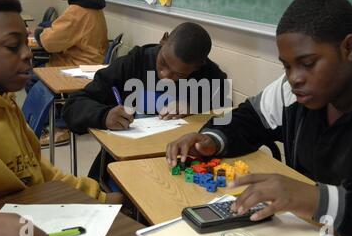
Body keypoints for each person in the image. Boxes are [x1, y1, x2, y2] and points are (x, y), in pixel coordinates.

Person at [166, 0, 352, 236]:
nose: (294, 78)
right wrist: (211, 139)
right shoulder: (294, 91)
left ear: (350, 48)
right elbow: (247, 118)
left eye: (308, 63)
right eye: (286, 66)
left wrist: (317, 199)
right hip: (305, 235)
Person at [0, 0, 120, 236]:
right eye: (12, 46)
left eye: (25, 42)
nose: (27, 53)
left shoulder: (2, 103)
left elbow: (40, 173)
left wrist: (100, 196)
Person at [63, 22, 229, 182]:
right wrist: (104, 115)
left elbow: (223, 105)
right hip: (124, 164)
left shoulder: (207, 74)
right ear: (163, 41)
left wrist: (195, 104)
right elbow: (73, 105)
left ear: (197, 67)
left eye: (179, 75)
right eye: (163, 62)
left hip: (177, 166)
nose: (165, 75)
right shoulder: (134, 62)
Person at [34, 0, 108, 67]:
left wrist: (38, 33)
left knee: (29, 75)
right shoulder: (95, 7)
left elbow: (50, 42)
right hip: (93, 62)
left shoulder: (76, 10)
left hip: (76, 66)